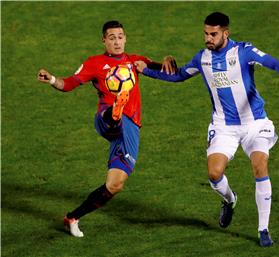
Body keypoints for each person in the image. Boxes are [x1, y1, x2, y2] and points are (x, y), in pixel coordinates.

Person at [135, 12, 279, 247]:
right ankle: (230, 199)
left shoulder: (243, 51)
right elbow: (180, 76)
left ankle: (263, 229)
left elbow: (272, 62)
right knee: (214, 174)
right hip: (223, 126)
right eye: (205, 33)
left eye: (213, 34)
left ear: (225, 33)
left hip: (254, 123)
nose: (208, 38)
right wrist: (146, 71)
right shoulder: (202, 59)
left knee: (259, 165)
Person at [37, 20, 176, 237]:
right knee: (113, 117)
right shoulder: (94, 63)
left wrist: (166, 61)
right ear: (104, 40)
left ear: (125, 38)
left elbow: (165, 69)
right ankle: (115, 111)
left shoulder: (134, 60)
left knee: (115, 185)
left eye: (120, 37)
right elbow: (69, 83)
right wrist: (52, 79)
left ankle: (72, 217)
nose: (117, 41)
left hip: (130, 129)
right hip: (106, 120)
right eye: (112, 38)